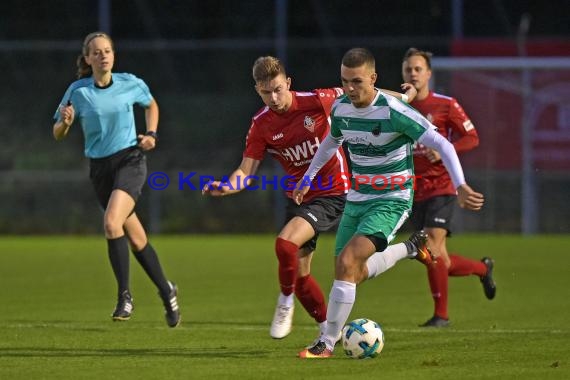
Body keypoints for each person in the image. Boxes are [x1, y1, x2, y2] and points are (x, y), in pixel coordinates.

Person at [202, 56, 431, 342]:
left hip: (334, 192)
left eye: (277, 89)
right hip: (300, 196)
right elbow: (246, 169)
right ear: (256, 90)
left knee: (285, 243)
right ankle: (327, 326)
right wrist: (227, 186)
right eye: (265, 92)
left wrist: (404, 96)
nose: (273, 98)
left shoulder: (317, 100)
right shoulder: (261, 124)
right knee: (305, 275)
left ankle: (285, 302)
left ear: (288, 83)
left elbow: (366, 93)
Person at [294, 47, 485, 358]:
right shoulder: (341, 108)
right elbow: (332, 141)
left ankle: (325, 343)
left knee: (347, 263)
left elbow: (443, 144)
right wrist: (308, 177)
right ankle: (411, 248)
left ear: (373, 79)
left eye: (357, 81)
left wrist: (460, 184)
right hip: (357, 198)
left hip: (392, 200)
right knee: (350, 272)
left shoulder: (395, 111)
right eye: (345, 81)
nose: (350, 89)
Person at [52, 31, 180, 328]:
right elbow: (57, 132)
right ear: (87, 59)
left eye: (107, 50)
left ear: (113, 55)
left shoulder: (129, 83)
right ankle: (167, 290)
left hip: (130, 161)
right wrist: (65, 123)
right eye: (96, 52)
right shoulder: (78, 91)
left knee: (111, 223)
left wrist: (151, 134)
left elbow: (151, 105)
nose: (103, 55)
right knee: (136, 238)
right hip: (100, 169)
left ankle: (125, 295)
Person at [402, 47, 496, 327]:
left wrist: (445, 151)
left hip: (442, 186)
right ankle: (482, 268)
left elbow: (472, 137)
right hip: (410, 189)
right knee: (433, 255)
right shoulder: (397, 106)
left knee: (431, 246)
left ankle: (441, 316)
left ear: (429, 73)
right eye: (408, 69)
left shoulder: (445, 104)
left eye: (418, 69)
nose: (413, 74)